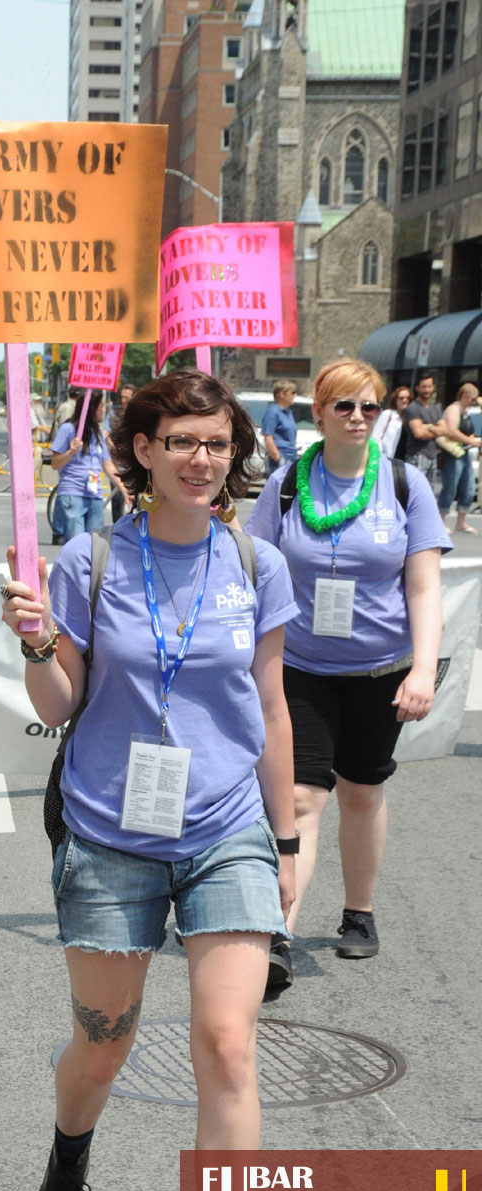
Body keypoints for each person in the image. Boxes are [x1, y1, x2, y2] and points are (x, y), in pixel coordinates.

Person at [2, 370, 298, 1191]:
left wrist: (283, 841)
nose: (201, 458)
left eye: (216, 442)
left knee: (227, 1044)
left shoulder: (258, 563)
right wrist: (38, 641)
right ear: (143, 451)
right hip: (109, 832)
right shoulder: (93, 560)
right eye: (182, 441)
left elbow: (272, 709)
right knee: (103, 1046)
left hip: (225, 829)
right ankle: (66, 1163)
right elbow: (58, 706)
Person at [245, 358, 451, 992]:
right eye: (344, 407)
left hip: (379, 670)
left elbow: (423, 585)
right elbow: (252, 571)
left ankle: (359, 913)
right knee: (302, 797)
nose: (358, 418)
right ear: (320, 411)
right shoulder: (286, 484)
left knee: (362, 792)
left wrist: (422, 668)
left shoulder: (405, 483)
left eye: (369, 407)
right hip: (301, 667)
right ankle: (277, 931)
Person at [49, 390, 129, 541]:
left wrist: (123, 488)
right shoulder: (68, 429)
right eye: (101, 406)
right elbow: (55, 463)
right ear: (92, 408)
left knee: (95, 546)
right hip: (73, 493)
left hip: (94, 495)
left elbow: (108, 465)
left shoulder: (98, 433)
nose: (104, 410)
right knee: (76, 543)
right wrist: (70, 452)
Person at [437, 382, 481, 534]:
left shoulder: (466, 411)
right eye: (472, 399)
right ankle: (441, 521)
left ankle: (461, 522)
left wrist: (471, 438)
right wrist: (471, 441)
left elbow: (467, 431)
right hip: (452, 454)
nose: (474, 402)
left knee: (468, 488)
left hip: (464, 454)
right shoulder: (453, 409)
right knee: (450, 488)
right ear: (464, 396)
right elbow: (451, 430)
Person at [401, 372, 446, 490]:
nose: (427, 390)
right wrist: (435, 429)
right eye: (424, 387)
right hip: (417, 456)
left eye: (429, 386)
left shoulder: (435, 407)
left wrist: (428, 427)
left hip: (432, 456)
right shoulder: (413, 408)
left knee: (429, 493)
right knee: (415, 491)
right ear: (417, 388)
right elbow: (419, 433)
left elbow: (444, 430)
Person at [104, 381, 135, 522]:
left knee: (135, 497)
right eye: (122, 397)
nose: (123, 401)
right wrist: (113, 447)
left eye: (127, 398)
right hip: (117, 463)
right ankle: (117, 525)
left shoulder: (138, 416)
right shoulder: (113, 415)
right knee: (116, 497)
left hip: (134, 463)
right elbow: (105, 433)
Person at [261, 380, 298, 477]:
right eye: (292, 392)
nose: (295, 395)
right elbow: (268, 438)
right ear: (282, 394)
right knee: (278, 489)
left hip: (291, 457)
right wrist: (278, 458)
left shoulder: (289, 412)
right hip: (281, 458)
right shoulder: (272, 412)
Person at [374, 384, 411, 458]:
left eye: (408, 398)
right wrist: (381, 455)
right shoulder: (388, 414)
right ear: (395, 400)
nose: (405, 400)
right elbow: (375, 436)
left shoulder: (410, 417)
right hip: (388, 458)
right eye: (401, 398)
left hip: (404, 459)